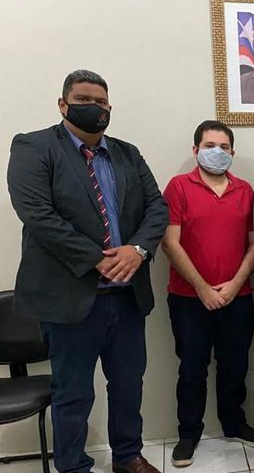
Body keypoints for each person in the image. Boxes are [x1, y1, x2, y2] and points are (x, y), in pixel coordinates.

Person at [7, 70, 168, 473]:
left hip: (126, 297)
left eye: (101, 102)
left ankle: (128, 456)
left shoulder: (128, 153)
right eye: (84, 100)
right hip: (71, 299)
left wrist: (137, 250)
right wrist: (97, 258)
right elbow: (37, 215)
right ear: (63, 104)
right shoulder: (34, 147)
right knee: (73, 392)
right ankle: (73, 466)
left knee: (128, 385)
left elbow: (157, 207)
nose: (94, 108)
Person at [161, 121, 254, 467]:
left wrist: (234, 284)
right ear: (196, 150)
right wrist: (203, 288)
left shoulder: (245, 190)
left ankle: (234, 424)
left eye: (224, 147)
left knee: (235, 366)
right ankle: (188, 434)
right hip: (189, 299)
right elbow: (169, 243)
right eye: (209, 145)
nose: (217, 152)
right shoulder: (178, 187)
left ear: (233, 152)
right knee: (192, 369)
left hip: (238, 296)